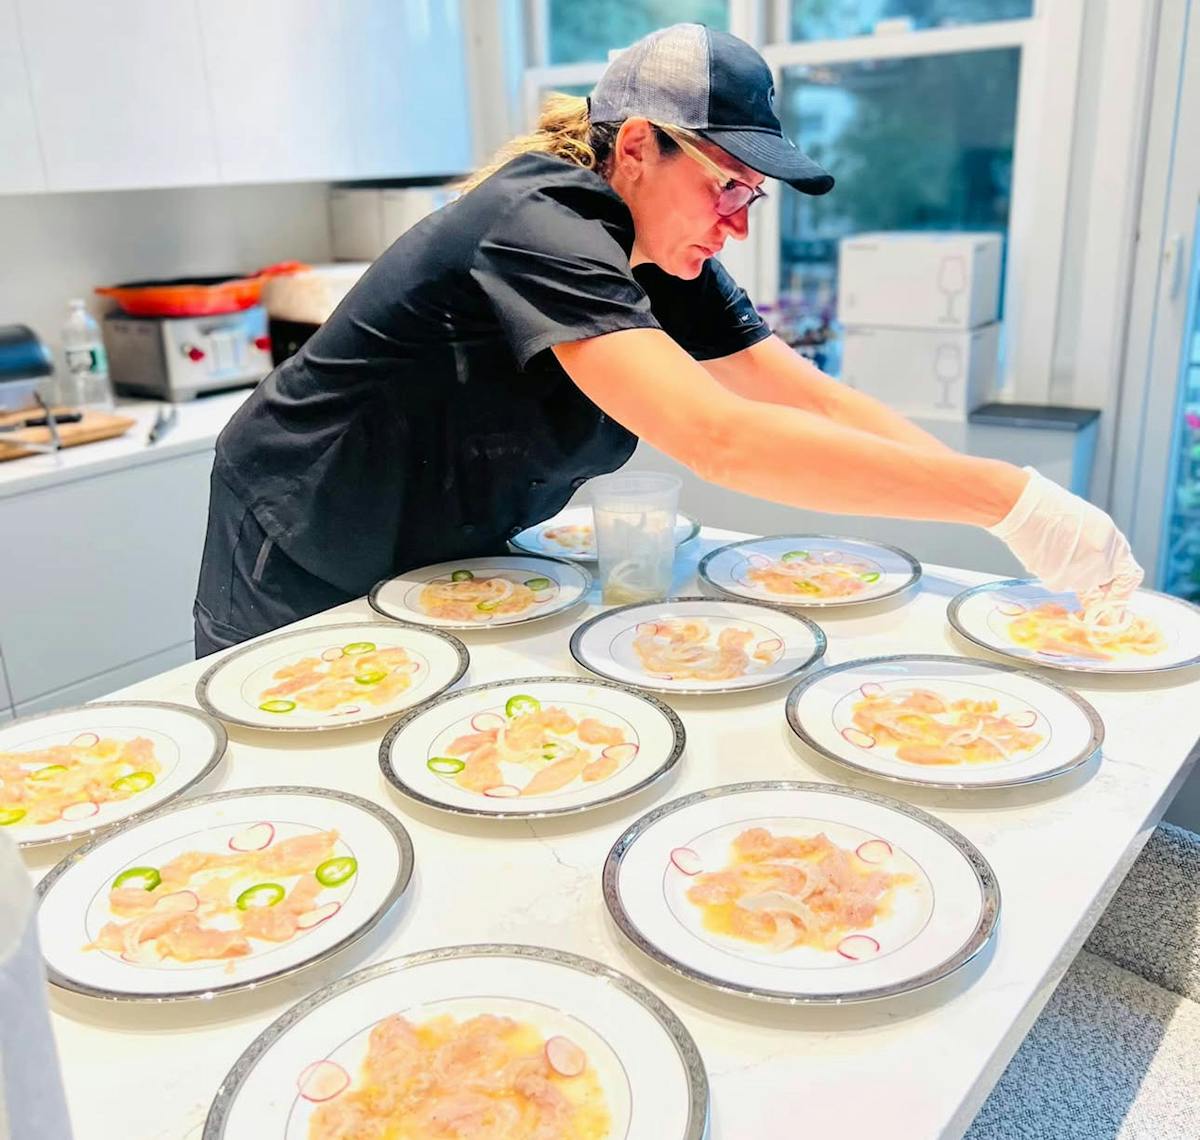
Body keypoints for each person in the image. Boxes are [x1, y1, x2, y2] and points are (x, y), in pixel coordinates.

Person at [193, 22, 1141, 657]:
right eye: (725, 185)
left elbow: (805, 395)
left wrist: (1012, 516)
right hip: (303, 531)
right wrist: (1007, 498)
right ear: (639, 147)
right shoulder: (539, 219)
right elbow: (719, 438)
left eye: (750, 196)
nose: (738, 223)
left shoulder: (666, 253)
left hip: (437, 541)